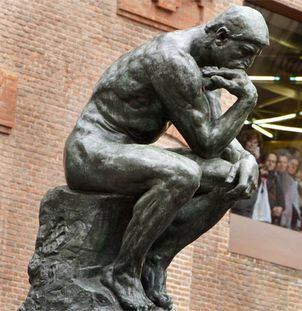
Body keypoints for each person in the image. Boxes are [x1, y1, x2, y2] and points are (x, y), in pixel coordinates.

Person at [63, 6, 269, 310]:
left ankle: (155, 260)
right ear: (222, 37)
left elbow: (212, 128)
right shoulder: (172, 59)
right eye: (246, 52)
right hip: (91, 152)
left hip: (129, 153)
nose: (248, 64)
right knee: (183, 174)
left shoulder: (206, 64)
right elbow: (207, 143)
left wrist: (246, 159)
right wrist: (247, 101)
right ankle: (122, 273)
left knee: (232, 176)